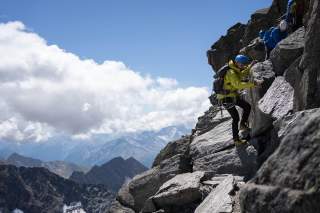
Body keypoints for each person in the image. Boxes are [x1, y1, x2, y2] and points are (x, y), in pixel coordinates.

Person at [216, 55, 259, 146]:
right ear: (238, 63)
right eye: (243, 64)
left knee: (247, 106)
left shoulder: (234, 69)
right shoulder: (231, 72)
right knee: (235, 118)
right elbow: (238, 85)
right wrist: (253, 84)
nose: (244, 66)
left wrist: (250, 66)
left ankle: (243, 125)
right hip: (226, 98)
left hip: (232, 96)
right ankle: (236, 140)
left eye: (244, 65)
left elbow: (242, 74)